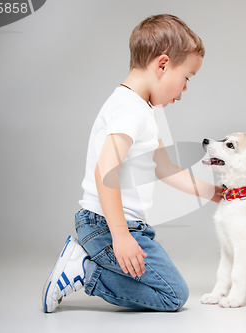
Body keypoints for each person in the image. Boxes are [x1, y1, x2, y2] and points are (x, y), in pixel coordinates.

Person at [42, 14, 221, 313]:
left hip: (121, 226)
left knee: (171, 291)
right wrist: (121, 236)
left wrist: (213, 192)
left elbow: (165, 169)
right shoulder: (130, 110)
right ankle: (84, 271)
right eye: (187, 77)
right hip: (106, 226)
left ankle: (86, 263)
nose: (186, 89)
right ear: (162, 65)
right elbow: (105, 171)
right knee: (174, 296)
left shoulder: (146, 110)